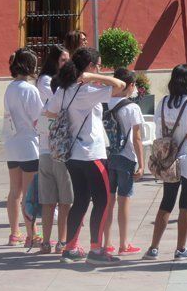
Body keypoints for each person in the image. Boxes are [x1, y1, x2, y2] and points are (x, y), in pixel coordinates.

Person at [46, 47, 125, 263]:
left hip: (72, 154)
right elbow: (121, 86)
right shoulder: (87, 91)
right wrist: (93, 77)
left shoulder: (64, 89)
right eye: (97, 65)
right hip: (93, 154)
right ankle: (96, 250)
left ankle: (70, 247)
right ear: (89, 67)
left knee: (80, 200)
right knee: (103, 201)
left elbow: (49, 111)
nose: (100, 68)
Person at [144, 64, 187, 260]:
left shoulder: (163, 102)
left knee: (167, 202)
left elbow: (159, 129)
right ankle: (180, 249)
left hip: (168, 157)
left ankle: (153, 247)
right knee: (186, 203)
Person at [97, 68, 144, 263]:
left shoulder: (103, 104)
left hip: (107, 156)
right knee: (124, 200)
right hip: (126, 157)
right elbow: (137, 138)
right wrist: (141, 164)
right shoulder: (132, 108)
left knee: (109, 201)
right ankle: (124, 244)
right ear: (130, 85)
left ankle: (106, 242)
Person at [3, 48, 44, 247]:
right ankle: (31, 234)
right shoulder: (30, 90)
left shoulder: (10, 87)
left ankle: (14, 233)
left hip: (12, 143)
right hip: (28, 144)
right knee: (29, 192)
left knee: (14, 191)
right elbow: (39, 118)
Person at [36, 45, 72, 254]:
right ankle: (60, 241)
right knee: (62, 199)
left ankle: (47, 242)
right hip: (58, 151)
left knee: (49, 200)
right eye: (63, 60)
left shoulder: (47, 87)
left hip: (45, 147)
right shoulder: (52, 86)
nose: (66, 64)